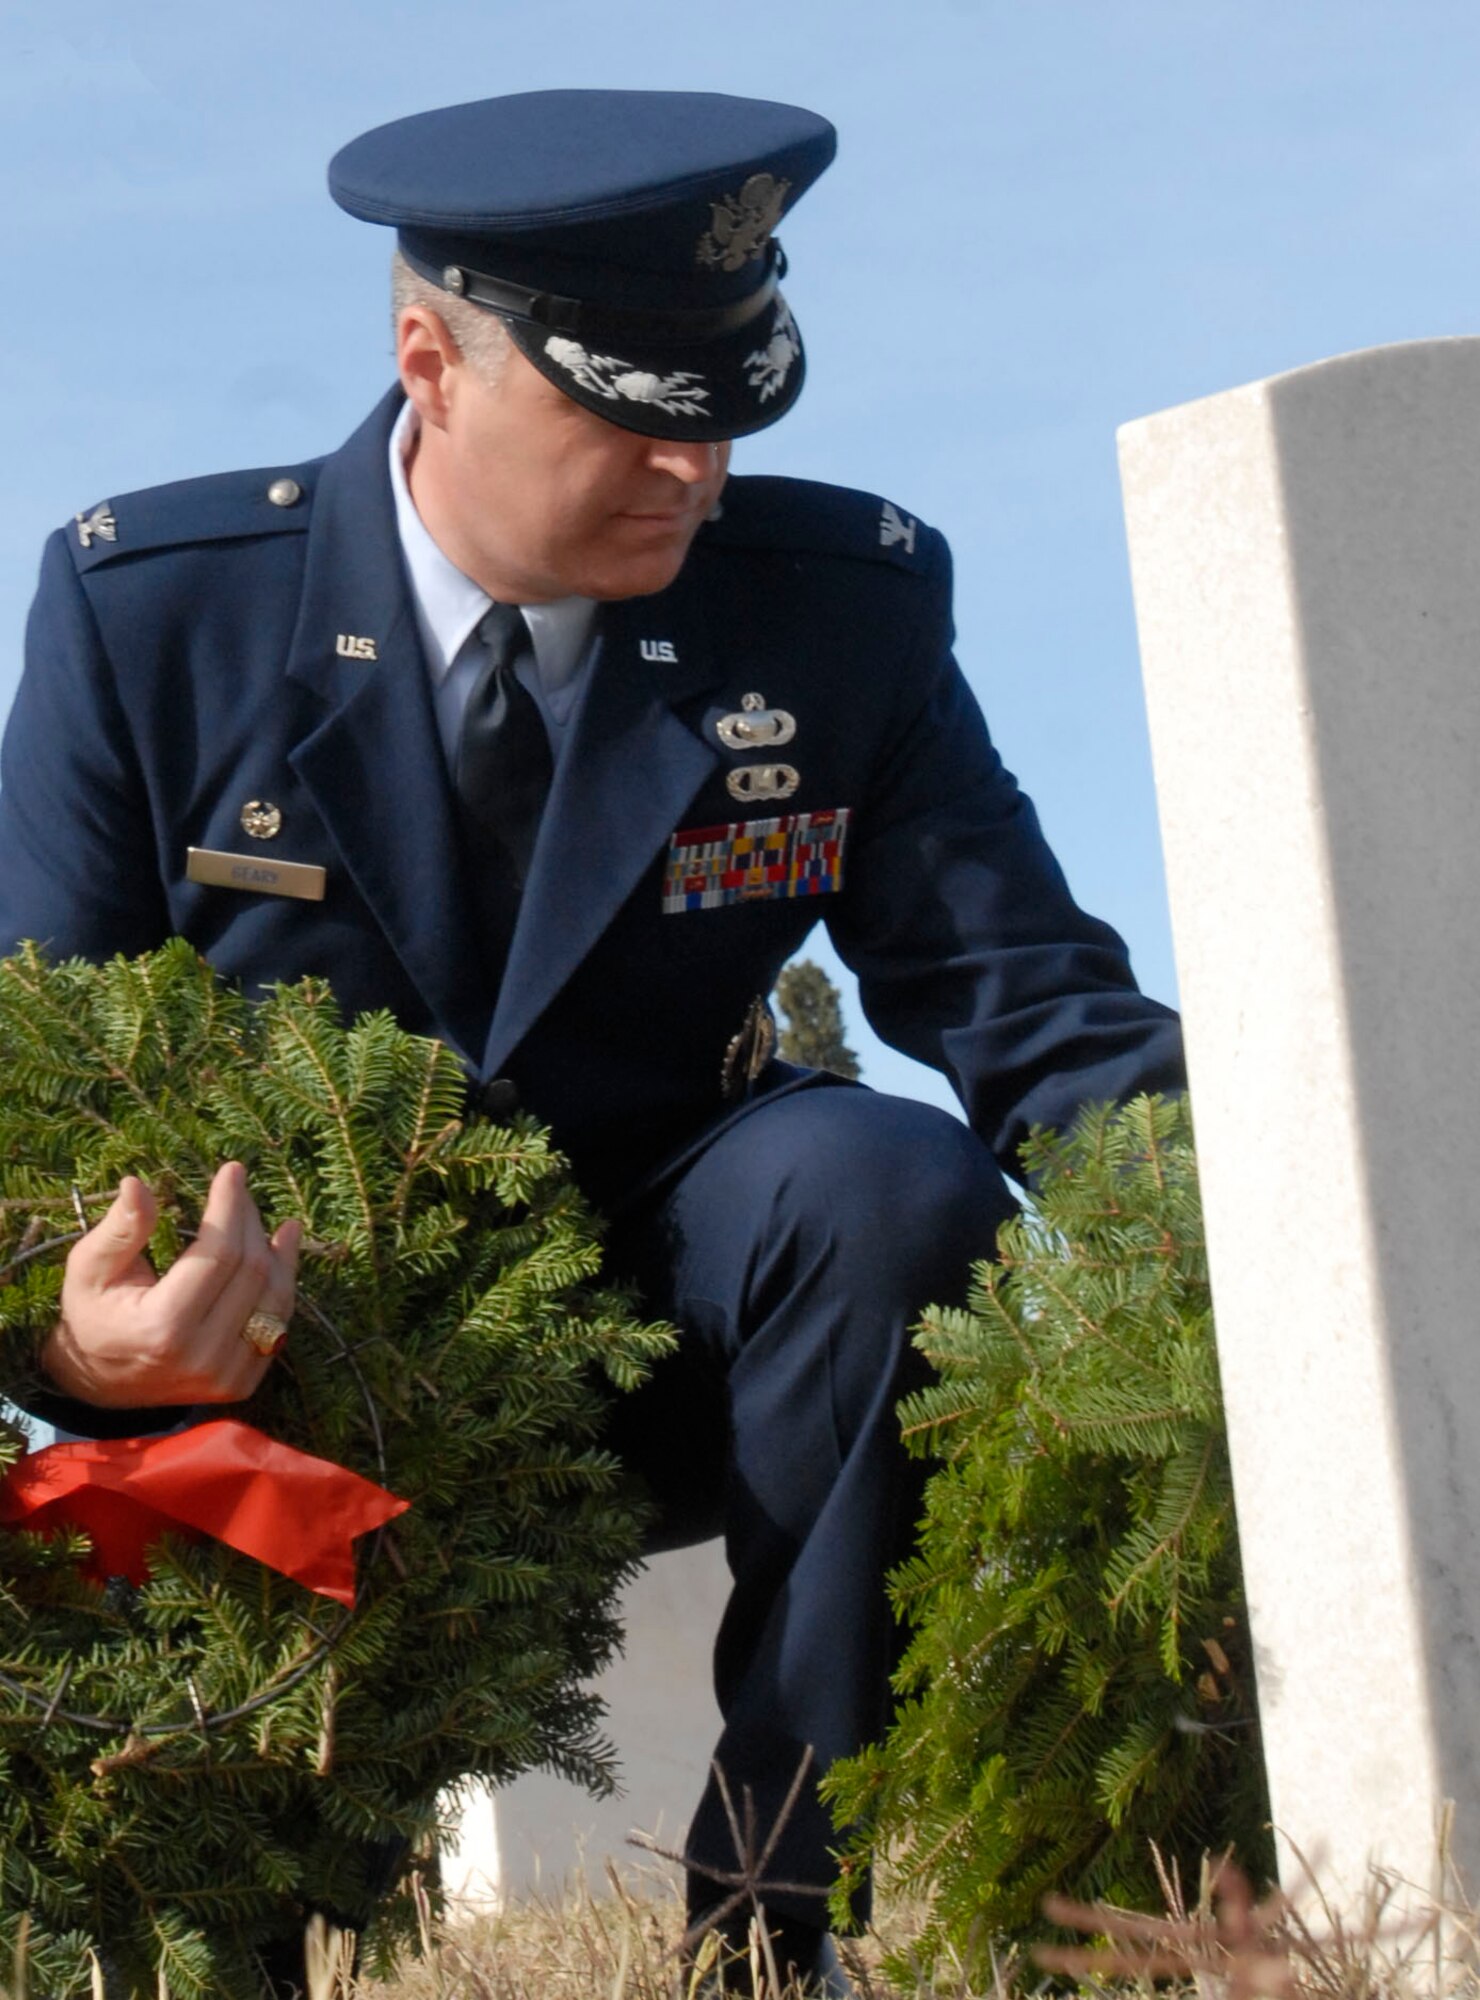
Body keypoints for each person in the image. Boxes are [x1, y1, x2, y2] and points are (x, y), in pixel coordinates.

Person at [2, 90, 1184, 1993]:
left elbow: (1037, 1009)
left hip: (668, 1344)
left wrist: (1263, 1284)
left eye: (727, 417)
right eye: (631, 416)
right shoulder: (160, 621)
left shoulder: (832, 619)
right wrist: (83, 1340)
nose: (695, 475)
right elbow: (23, 1105)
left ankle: (776, 1922)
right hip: (285, 1377)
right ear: (429, 366)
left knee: (882, 1188)